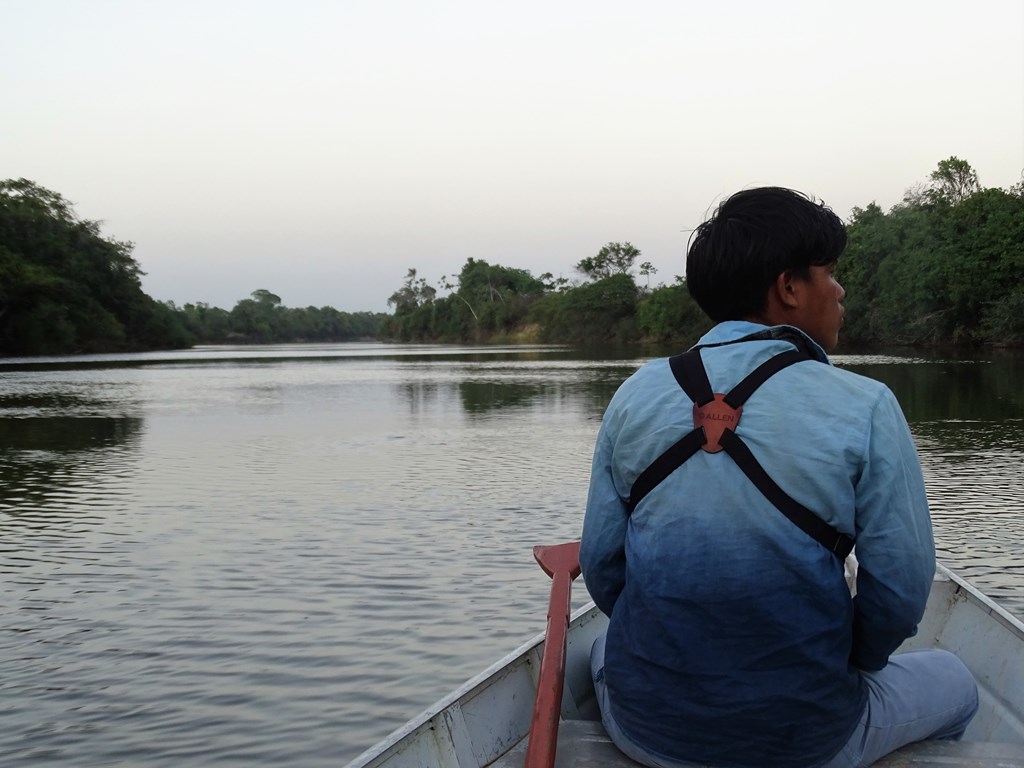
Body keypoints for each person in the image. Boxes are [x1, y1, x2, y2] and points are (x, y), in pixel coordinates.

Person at [579, 187, 978, 768]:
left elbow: (603, 566)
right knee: (958, 680)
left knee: (600, 650)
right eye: (829, 273)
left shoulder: (634, 394)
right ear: (789, 288)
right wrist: (852, 663)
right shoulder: (865, 404)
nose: (840, 291)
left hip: (649, 732)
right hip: (805, 739)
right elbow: (898, 592)